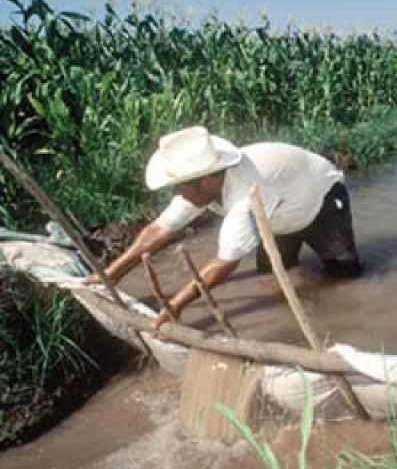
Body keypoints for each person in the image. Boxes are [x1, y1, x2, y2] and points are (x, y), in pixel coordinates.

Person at [85, 126, 361, 332]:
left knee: (343, 276)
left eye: (182, 186)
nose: (179, 194)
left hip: (321, 198)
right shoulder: (203, 186)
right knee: (272, 276)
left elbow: (226, 262)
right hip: (279, 210)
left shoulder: (245, 193)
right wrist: (110, 275)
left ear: (210, 180)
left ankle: (338, 326)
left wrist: (176, 306)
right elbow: (160, 229)